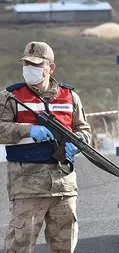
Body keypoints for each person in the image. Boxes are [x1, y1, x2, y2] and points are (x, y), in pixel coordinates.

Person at [0, 41, 91, 253]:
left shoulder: (70, 97)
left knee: (64, 247)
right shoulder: (10, 97)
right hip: (27, 186)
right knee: (19, 246)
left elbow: (85, 130)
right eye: (27, 64)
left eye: (36, 64)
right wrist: (27, 130)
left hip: (64, 185)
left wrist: (77, 143)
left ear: (50, 67)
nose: (30, 69)